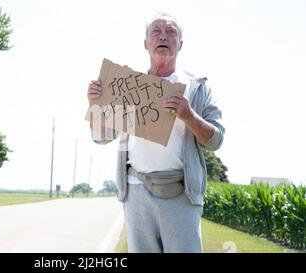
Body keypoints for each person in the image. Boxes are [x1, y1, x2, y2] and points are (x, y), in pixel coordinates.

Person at [86, 12, 224, 253]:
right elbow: (101, 136)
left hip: (181, 192)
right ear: (146, 43)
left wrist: (189, 116)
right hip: (135, 190)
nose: (164, 36)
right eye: (156, 32)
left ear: (180, 44)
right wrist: (95, 105)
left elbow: (215, 140)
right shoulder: (128, 86)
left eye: (171, 32)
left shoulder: (197, 87)